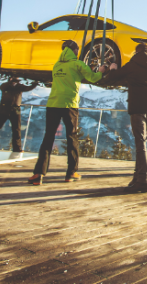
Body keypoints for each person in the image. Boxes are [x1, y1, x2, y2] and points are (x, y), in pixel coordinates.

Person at [28, 40, 106, 186]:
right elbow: (93, 78)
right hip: (69, 104)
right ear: (75, 50)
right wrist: (101, 71)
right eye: (78, 49)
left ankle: (38, 174)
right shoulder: (77, 64)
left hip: (53, 104)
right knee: (72, 137)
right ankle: (71, 173)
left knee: (48, 138)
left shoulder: (57, 65)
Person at [106, 43, 147, 193]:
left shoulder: (132, 65)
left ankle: (143, 179)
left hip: (137, 109)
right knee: (142, 142)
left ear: (136, 52)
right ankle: (137, 177)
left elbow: (113, 77)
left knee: (140, 144)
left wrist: (112, 69)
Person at [0, 76, 38, 152]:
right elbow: (2, 87)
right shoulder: (5, 86)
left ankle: (17, 148)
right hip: (4, 109)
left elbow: (28, 88)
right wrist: (10, 83)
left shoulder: (19, 86)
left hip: (14, 109)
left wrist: (35, 84)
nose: (15, 82)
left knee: (16, 129)